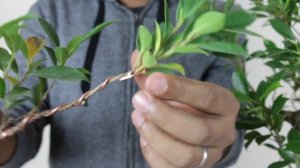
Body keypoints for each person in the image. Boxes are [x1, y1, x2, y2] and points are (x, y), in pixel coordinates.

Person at [0, 0, 243, 167]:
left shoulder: (219, 16)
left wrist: (210, 150)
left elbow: (229, 128)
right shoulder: (51, 11)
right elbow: (20, 117)